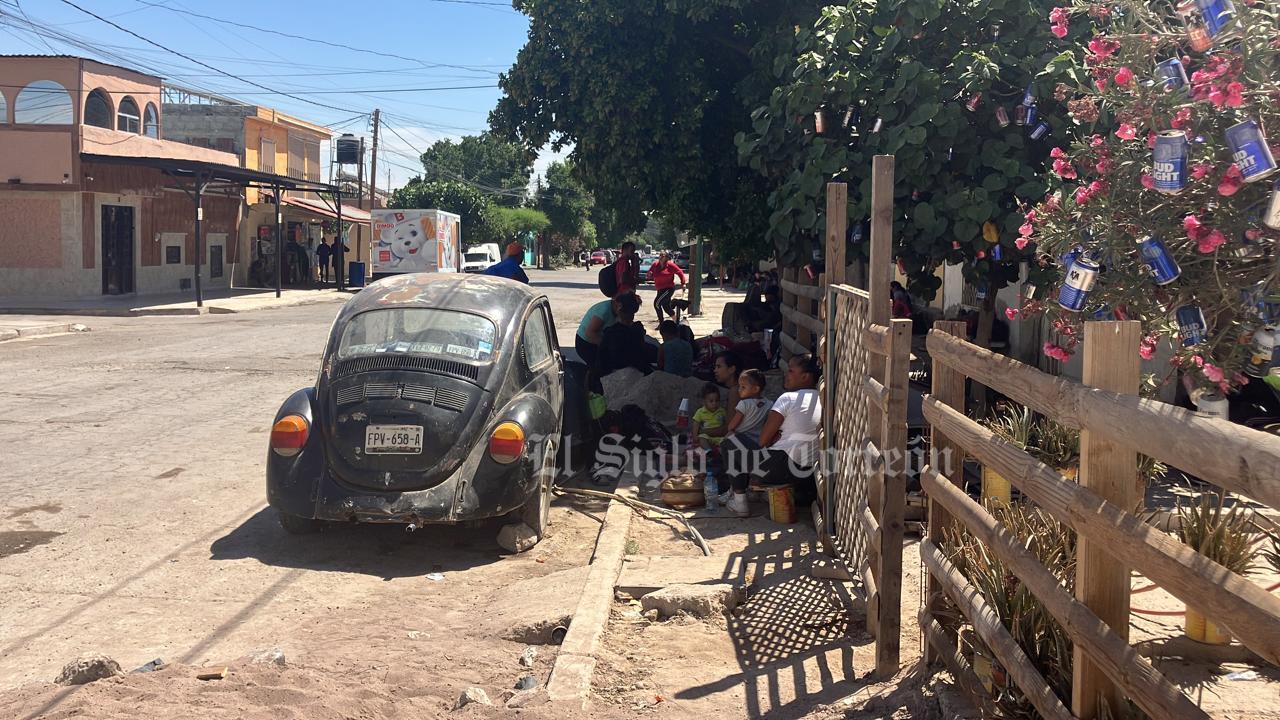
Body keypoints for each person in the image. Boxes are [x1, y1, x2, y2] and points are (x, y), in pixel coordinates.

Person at [723, 354, 823, 517]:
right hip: (808, 473)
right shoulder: (822, 399)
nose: (786, 374)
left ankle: (739, 500)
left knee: (730, 441)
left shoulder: (788, 398)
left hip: (780, 468)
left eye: (791, 371)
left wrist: (774, 436)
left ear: (805, 377)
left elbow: (763, 440)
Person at [577, 291, 641, 384]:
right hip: (586, 343)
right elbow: (590, 333)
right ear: (619, 307)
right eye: (628, 314)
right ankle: (592, 386)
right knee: (600, 369)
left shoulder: (619, 310)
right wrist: (608, 345)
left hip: (601, 338)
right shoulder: (604, 311)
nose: (631, 317)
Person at [597, 294, 653, 378]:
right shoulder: (638, 330)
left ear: (619, 310)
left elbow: (602, 359)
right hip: (638, 370)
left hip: (614, 374)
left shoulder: (610, 332)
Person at [649, 251, 687, 321]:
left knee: (657, 304)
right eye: (660, 255)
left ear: (666, 257)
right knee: (666, 307)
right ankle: (676, 320)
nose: (661, 257)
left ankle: (661, 322)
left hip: (668, 289)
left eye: (663, 256)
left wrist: (683, 283)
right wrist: (649, 274)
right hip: (660, 289)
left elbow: (680, 272)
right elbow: (650, 272)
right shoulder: (655, 264)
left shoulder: (670, 265)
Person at [690, 382, 727, 450]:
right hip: (707, 436)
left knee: (728, 440)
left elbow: (726, 422)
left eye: (717, 401)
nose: (714, 403)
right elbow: (696, 424)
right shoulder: (700, 412)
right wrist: (695, 436)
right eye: (711, 401)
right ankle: (709, 451)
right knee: (702, 438)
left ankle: (721, 452)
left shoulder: (721, 411)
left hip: (719, 437)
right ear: (704, 402)